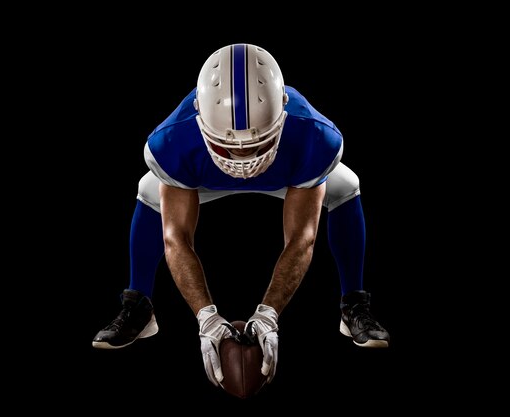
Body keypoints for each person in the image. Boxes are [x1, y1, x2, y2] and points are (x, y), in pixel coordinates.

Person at [92, 43, 390, 387]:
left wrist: (268, 316)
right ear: (198, 114)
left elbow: (301, 238)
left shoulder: (313, 135)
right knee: (149, 192)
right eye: (228, 145)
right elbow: (177, 238)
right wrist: (206, 317)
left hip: (284, 171)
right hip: (206, 174)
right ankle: (139, 306)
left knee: (346, 187)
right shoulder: (172, 140)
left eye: (256, 144)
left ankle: (353, 303)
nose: (242, 158)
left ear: (285, 113)